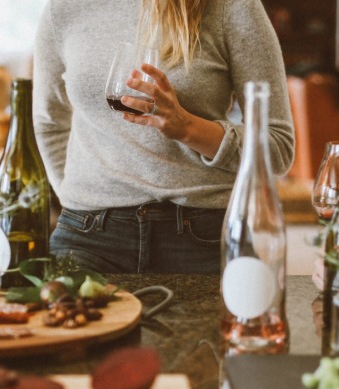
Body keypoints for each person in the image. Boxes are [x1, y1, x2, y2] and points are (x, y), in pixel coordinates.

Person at [33, 0, 295, 274]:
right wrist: (76, 196)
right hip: (87, 235)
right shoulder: (62, 9)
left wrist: (187, 128)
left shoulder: (232, 7)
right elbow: (48, 124)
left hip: (202, 234)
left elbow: (278, 147)